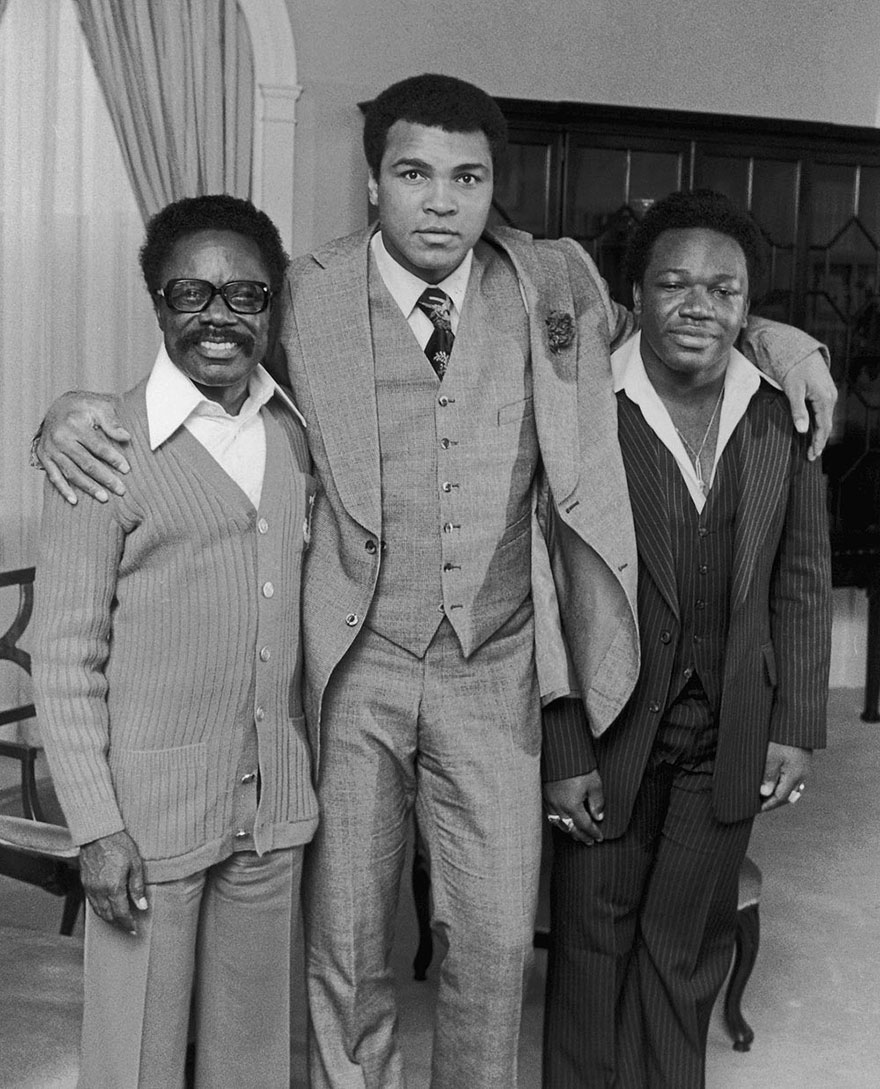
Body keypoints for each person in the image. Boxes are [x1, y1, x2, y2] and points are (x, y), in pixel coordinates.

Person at [34, 76, 836, 1089]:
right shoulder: (304, 289)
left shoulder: (560, 282)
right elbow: (202, 363)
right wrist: (66, 410)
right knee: (348, 952)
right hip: (355, 670)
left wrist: (785, 339)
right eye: (414, 174)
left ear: (493, 187)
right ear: (373, 183)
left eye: (467, 177)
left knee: (495, 947)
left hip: (496, 668)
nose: (440, 201)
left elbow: (685, 312)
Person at [541, 189, 832, 1089]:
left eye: (723, 288)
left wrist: (794, 725)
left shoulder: (782, 411)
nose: (697, 304)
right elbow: (543, 586)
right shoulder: (582, 405)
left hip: (729, 729)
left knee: (685, 944)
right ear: (637, 291)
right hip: (607, 726)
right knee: (592, 945)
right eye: (673, 283)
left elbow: (802, 576)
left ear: (749, 308)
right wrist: (560, 743)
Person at [33, 194, 317, 1089]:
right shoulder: (102, 448)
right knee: (137, 1058)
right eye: (190, 293)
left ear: (272, 307)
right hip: (146, 821)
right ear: (157, 302)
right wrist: (98, 828)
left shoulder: (293, 434)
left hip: (272, 807)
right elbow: (65, 657)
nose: (219, 317)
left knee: (255, 1055)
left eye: (245, 295)